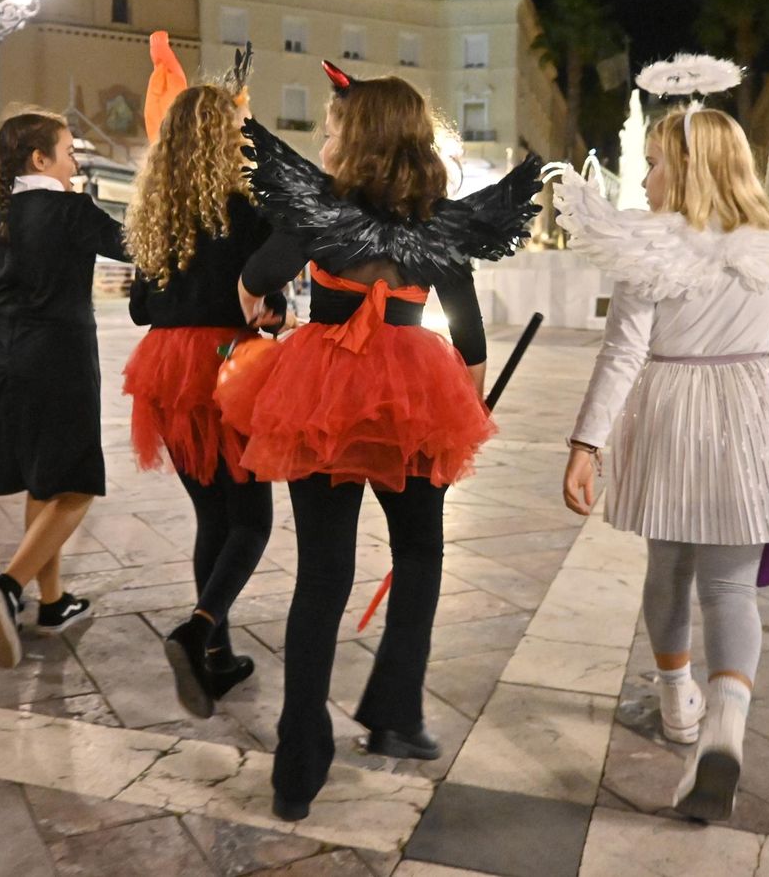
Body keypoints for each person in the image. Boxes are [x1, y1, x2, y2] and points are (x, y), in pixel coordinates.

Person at [217, 63, 541, 821]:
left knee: (321, 578)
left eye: (335, 126)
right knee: (420, 554)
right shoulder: (442, 223)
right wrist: (467, 404)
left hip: (320, 392)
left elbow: (257, 277)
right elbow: (468, 337)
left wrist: (263, 318)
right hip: (414, 399)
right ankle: (395, 715)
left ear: (357, 137)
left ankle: (298, 764)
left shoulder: (318, 213)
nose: (326, 135)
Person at [556, 101, 769, 823]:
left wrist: (587, 443)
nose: (643, 176)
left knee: (669, 570)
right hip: (754, 406)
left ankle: (678, 700)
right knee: (731, 588)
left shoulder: (648, 247)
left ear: (683, 169)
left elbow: (624, 353)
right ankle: (724, 729)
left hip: (675, 407)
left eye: (652, 162)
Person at [0, 109, 132, 669]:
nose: (73, 163)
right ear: (40, 159)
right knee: (79, 485)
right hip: (60, 359)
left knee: (44, 480)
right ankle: (10, 585)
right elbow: (139, 247)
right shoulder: (70, 210)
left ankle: (53, 601)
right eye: (68, 152)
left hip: (7, 361)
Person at [122, 83, 283, 718]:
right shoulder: (244, 210)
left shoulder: (157, 213)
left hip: (166, 367)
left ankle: (216, 658)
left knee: (212, 516)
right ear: (223, 140)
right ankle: (199, 629)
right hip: (225, 367)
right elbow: (263, 295)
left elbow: (139, 308)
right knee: (251, 518)